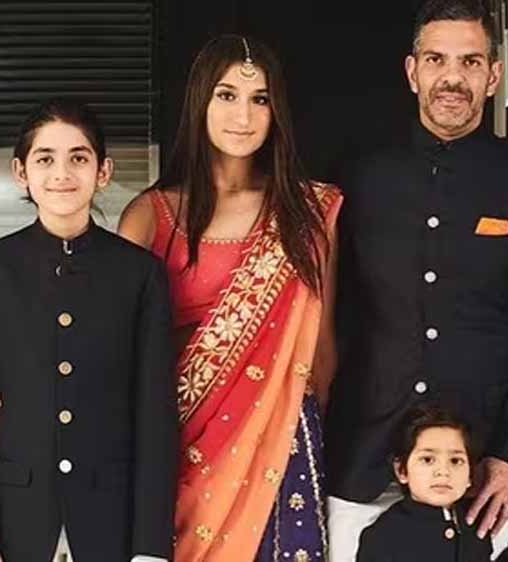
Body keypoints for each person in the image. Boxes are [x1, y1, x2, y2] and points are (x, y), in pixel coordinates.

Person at [325, 1, 508, 560]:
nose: (452, 77)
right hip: (364, 463)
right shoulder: (358, 178)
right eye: (436, 59)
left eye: (470, 61)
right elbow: (325, 319)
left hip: (480, 478)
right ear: (412, 70)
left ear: (493, 75)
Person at [117, 35, 341, 562]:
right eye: (226, 95)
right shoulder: (152, 216)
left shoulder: (309, 212)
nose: (243, 115)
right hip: (177, 454)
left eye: (260, 98)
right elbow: (114, 354)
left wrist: (288, 428)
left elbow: (323, 351)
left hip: (280, 445)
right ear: (199, 101)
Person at [0, 98, 177, 562]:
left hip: (112, 522)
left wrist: (151, 548)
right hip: (11, 522)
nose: (62, 173)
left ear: (103, 171)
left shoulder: (141, 274)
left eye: (78, 158)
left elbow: (155, 419)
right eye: (45, 159)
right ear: (21, 172)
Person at [356, 406, 508, 562]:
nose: (443, 471)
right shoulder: (383, 537)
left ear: (470, 475)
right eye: (428, 459)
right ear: (402, 470)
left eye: (456, 461)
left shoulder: (473, 522)